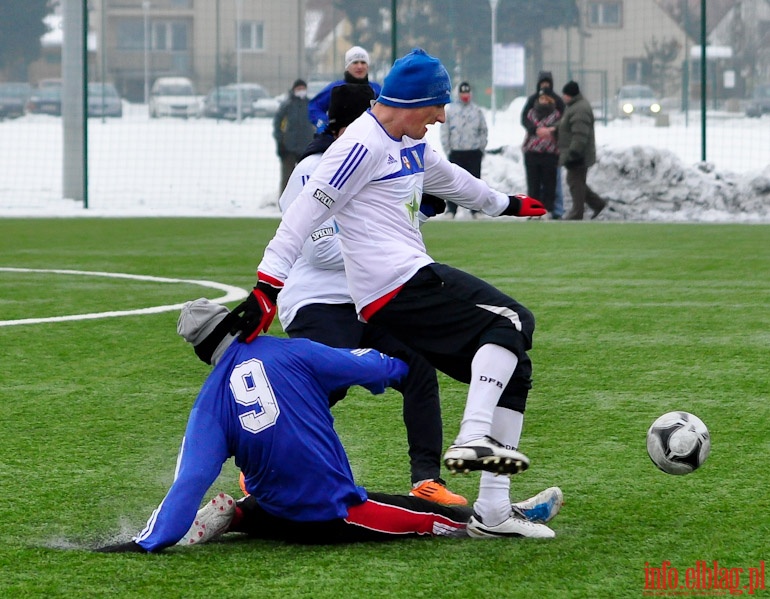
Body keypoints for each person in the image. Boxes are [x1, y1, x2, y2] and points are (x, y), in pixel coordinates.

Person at [230, 48, 563, 539]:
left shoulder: (408, 142)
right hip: (395, 285)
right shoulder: (359, 145)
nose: (442, 117)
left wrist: (507, 204)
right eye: (438, 107)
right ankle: (471, 435)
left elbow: (452, 181)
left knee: (514, 362)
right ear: (414, 101)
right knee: (512, 320)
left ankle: (494, 511)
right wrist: (266, 288)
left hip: (401, 284)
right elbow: (300, 218)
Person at [95, 299, 559, 553]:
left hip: (276, 511)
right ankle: (499, 516)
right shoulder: (290, 352)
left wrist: (148, 542)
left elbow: (189, 480)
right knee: (428, 519)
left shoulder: (207, 405)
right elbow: (378, 368)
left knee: (272, 499)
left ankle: (239, 515)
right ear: (238, 327)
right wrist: (402, 370)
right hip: (332, 514)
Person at [278, 83, 466, 506]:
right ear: (341, 129)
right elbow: (320, 249)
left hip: (370, 299)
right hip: (318, 301)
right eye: (363, 124)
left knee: (419, 366)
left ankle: (426, 481)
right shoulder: (312, 169)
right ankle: (261, 469)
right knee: (327, 379)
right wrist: (380, 233)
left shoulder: (377, 161)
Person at [557, 80, 608, 220]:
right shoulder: (575, 107)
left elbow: (580, 134)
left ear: (570, 95)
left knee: (575, 182)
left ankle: (577, 212)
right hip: (578, 153)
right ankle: (597, 204)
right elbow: (566, 125)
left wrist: (573, 152)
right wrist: (553, 128)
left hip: (579, 155)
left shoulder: (579, 109)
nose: (563, 97)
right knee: (576, 181)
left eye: (565, 94)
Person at [520, 71, 566, 219]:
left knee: (550, 184)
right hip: (532, 152)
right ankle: (533, 210)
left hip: (550, 152)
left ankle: (549, 209)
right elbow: (524, 120)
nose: (544, 99)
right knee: (533, 184)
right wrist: (536, 130)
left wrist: (552, 129)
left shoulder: (557, 108)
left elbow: (564, 121)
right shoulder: (531, 109)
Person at [439, 81, 488, 218]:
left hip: (473, 152)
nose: (465, 95)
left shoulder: (477, 111)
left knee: (475, 182)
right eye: (462, 92)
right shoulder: (451, 111)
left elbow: (483, 130)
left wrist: (481, 148)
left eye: (467, 92)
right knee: (454, 182)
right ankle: (452, 209)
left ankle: (475, 209)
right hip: (456, 152)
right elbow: (445, 131)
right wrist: (448, 149)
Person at [308, 46, 382, 133]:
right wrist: (326, 125)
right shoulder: (336, 88)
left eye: (363, 62)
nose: (359, 66)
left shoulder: (376, 89)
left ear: (368, 66)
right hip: (339, 138)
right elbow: (314, 107)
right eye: (355, 62)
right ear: (347, 66)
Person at [273, 79, 316, 194]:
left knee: (308, 177)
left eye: (303, 88)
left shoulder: (311, 104)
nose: (301, 91)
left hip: (307, 148)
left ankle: (307, 202)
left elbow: (317, 124)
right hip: (289, 148)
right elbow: (278, 124)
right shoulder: (286, 106)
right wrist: (280, 143)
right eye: (298, 89)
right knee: (287, 177)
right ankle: (284, 203)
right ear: (293, 90)